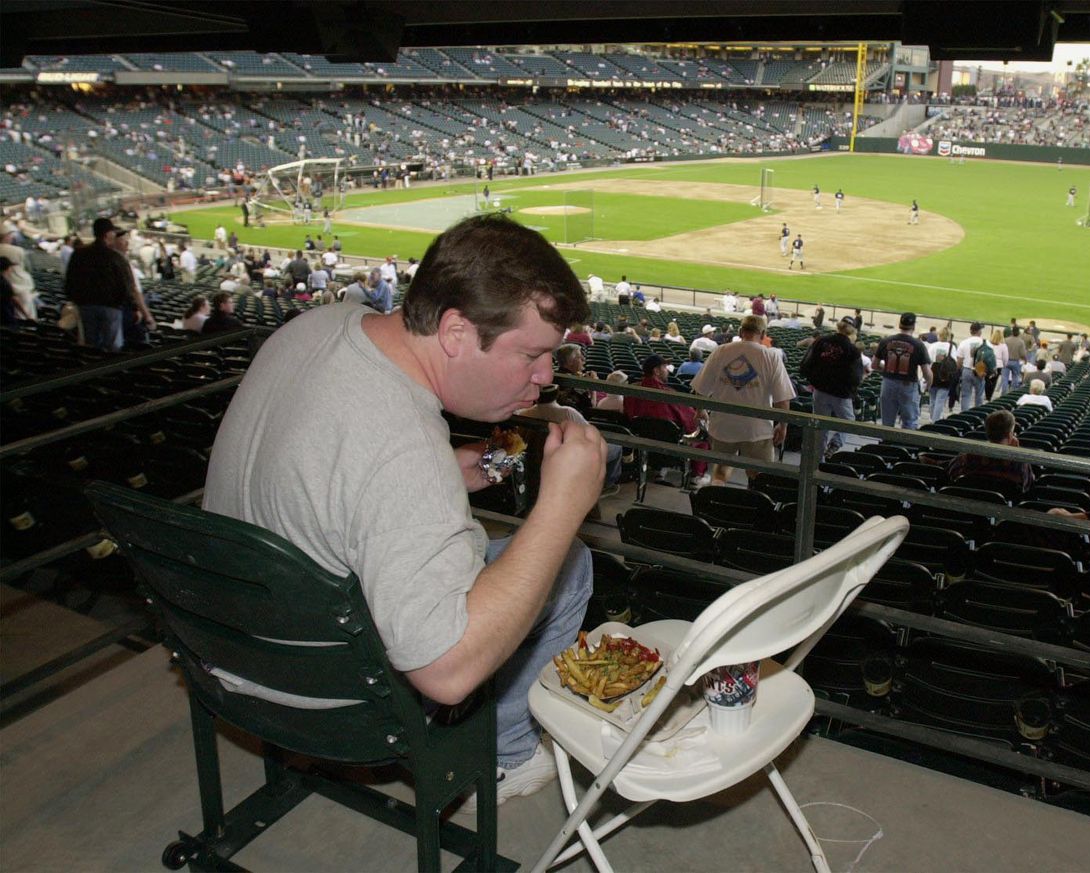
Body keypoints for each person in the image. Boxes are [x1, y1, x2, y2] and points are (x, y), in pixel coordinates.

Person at [203, 214, 604, 806]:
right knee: (569, 564)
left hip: (229, 643)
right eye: (533, 355)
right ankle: (504, 757)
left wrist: (444, 472)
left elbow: (340, 461)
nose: (545, 378)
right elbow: (446, 673)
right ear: (455, 331)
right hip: (323, 698)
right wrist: (561, 506)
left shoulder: (323, 323)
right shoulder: (402, 450)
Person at [691, 315, 795, 485]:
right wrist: (783, 426)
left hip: (722, 425)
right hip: (757, 430)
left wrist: (700, 410)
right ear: (763, 334)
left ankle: (715, 505)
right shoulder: (771, 357)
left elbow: (700, 389)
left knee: (720, 473)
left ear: (740, 331)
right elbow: (782, 400)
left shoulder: (721, 351)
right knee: (759, 477)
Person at [624, 353, 710, 485]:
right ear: (656, 371)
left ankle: (659, 468)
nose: (667, 370)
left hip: (642, 441)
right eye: (665, 367)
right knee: (701, 437)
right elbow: (690, 422)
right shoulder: (667, 394)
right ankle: (696, 477)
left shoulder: (632, 391)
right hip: (671, 444)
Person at [64, 218, 146, 352]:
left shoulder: (79, 254)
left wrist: (75, 300)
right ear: (108, 234)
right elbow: (126, 285)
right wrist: (133, 307)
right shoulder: (115, 257)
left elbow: (70, 280)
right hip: (110, 308)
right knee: (113, 347)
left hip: (85, 306)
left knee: (91, 346)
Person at [799, 319, 863, 457]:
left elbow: (805, 365)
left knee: (820, 427)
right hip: (841, 394)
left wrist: (814, 381)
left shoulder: (821, 341)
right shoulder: (852, 350)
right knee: (848, 422)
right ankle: (836, 442)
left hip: (819, 391)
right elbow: (856, 378)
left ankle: (818, 462)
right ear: (852, 331)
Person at [945, 410, 1033, 496]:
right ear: (1010, 435)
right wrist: (1016, 453)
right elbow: (1026, 486)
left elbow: (951, 472)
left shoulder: (968, 457)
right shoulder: (1020, 463)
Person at [874, 312, 932, 430]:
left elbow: (874, 364)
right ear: (913, 326)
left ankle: (886, 445)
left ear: (900, 323)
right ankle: (905, 446)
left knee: (887, 422)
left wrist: (886, 369)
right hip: (908, 385)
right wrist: (928, 386)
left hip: (888, 383)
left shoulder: (886, 341)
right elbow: (927, 372)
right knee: (909, 422)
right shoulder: (918, 345)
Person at [955, 322, 989, 411]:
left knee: (966, 395)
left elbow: (959, 361)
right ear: (979, 331)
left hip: (966, 370)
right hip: (980, 370)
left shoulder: (964, 342)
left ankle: (964, 415)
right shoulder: (985, 342)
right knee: (979, 395)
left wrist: (959, 371)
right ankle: (977, 414)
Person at [928, 340, 958, 423]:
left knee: (932, 399)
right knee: (940, 400)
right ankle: (936, 420)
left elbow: (928, 359)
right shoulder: (951, 347)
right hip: (945, 374)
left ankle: (932, 418)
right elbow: (954, 362)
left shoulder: (933, 345)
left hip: (933, 372)